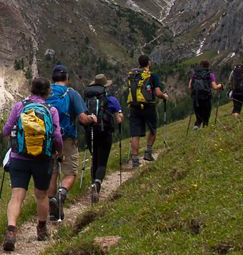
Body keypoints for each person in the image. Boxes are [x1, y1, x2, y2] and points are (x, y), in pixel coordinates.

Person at [1, 76, 63, 252]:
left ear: (31, 89)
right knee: (41, 195)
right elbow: (57, 136)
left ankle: (11, 230)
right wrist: (58, 151)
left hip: (19, 157)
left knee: (17, 196)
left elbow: (6, 129)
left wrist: (12, 139)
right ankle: (42, 230)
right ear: (47, 92)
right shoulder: (51, 110)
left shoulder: (20, 106)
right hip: (42, 159)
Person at [46, 64, 95, 218]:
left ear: (53, 78)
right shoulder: (71, 93)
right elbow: (83, 119)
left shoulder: (45, 93)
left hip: (47, 139)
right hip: (67, 138)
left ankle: (51, 202)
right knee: (70, 172)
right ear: (66, 77)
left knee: (52, 172)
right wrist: (92, 118)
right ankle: (62, 193)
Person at [83, 73, 123, 203]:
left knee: (94, 158)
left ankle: (93, 184)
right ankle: (97, 184)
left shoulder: (87, 99)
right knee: (102, 161)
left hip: (90, 132)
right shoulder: (111, 100)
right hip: (105, 132)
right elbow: (118, 119)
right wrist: (120, 116)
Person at [126, 55, 169, 167]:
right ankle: (148, 153)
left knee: (135, 133)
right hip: (148, 106)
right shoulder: (152, 76)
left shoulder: (133, 75)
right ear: (148, 63)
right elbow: (158, 93)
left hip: (134, 106)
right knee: (153, 129)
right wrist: (164, 96)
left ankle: (135, 160)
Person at [188, 59, 222, 128]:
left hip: (196, 97)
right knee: (206, 113)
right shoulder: (210, 74)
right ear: (208, 66)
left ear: (200, 65)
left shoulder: (195, 74)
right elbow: (215, 87)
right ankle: (205, 126)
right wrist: (220, 85)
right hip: (206, 97)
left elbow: (189, 86)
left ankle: (197, 125)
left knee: (198, 113)